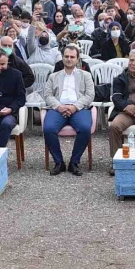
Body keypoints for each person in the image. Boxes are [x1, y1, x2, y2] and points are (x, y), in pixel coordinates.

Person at [43, 44, 95, 175]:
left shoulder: (86, 75)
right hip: (58, 108)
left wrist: (74, 107)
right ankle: (59, 162)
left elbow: (90, 95)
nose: (69, 59)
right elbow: (47, 95)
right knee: (48, 129)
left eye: (72, 57)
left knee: (84, 128)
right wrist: (59, 107)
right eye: (66, 56)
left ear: (77, 59)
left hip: (79, 108)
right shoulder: (53, 76)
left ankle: (74, 162)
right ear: (62, 58)